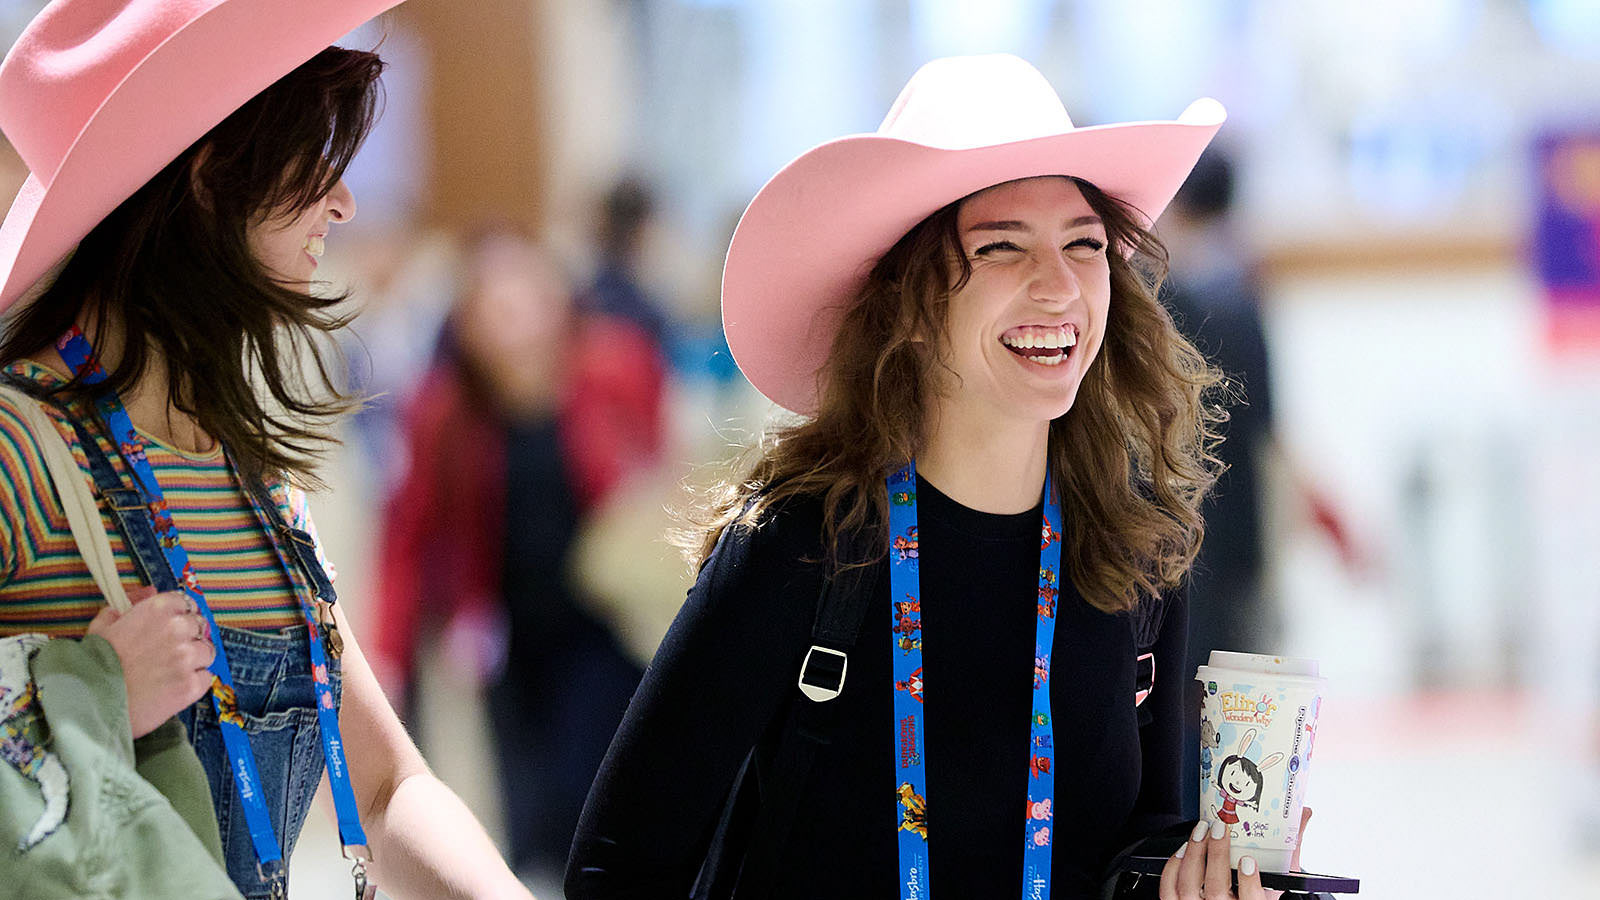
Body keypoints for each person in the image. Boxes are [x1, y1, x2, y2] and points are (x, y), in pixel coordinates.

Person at [568, 54, 1300, 899]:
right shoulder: (802, 545)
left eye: (1084, 244)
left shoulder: (1134, 545)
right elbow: (615, 869)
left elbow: (1141, 841)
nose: (1059, 285)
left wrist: (1204, 881)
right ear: (909, 305)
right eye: (1001, 247)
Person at [0, 3, 531, 898]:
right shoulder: (23, 444)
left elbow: (384, 786)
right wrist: (94, 694)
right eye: (313, 154)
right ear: (212, 176)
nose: (343, 199)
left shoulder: (255, 479)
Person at [375, 227, 664, 884]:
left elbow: (653, 477)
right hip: (506, 634)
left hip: (603, 626)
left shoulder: (615, 369)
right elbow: (409, 535)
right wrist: (389, 654)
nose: (511, 316)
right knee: (527, 818)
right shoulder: (444, 410)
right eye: (492, 303)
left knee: (591, 795)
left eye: (523, 295)